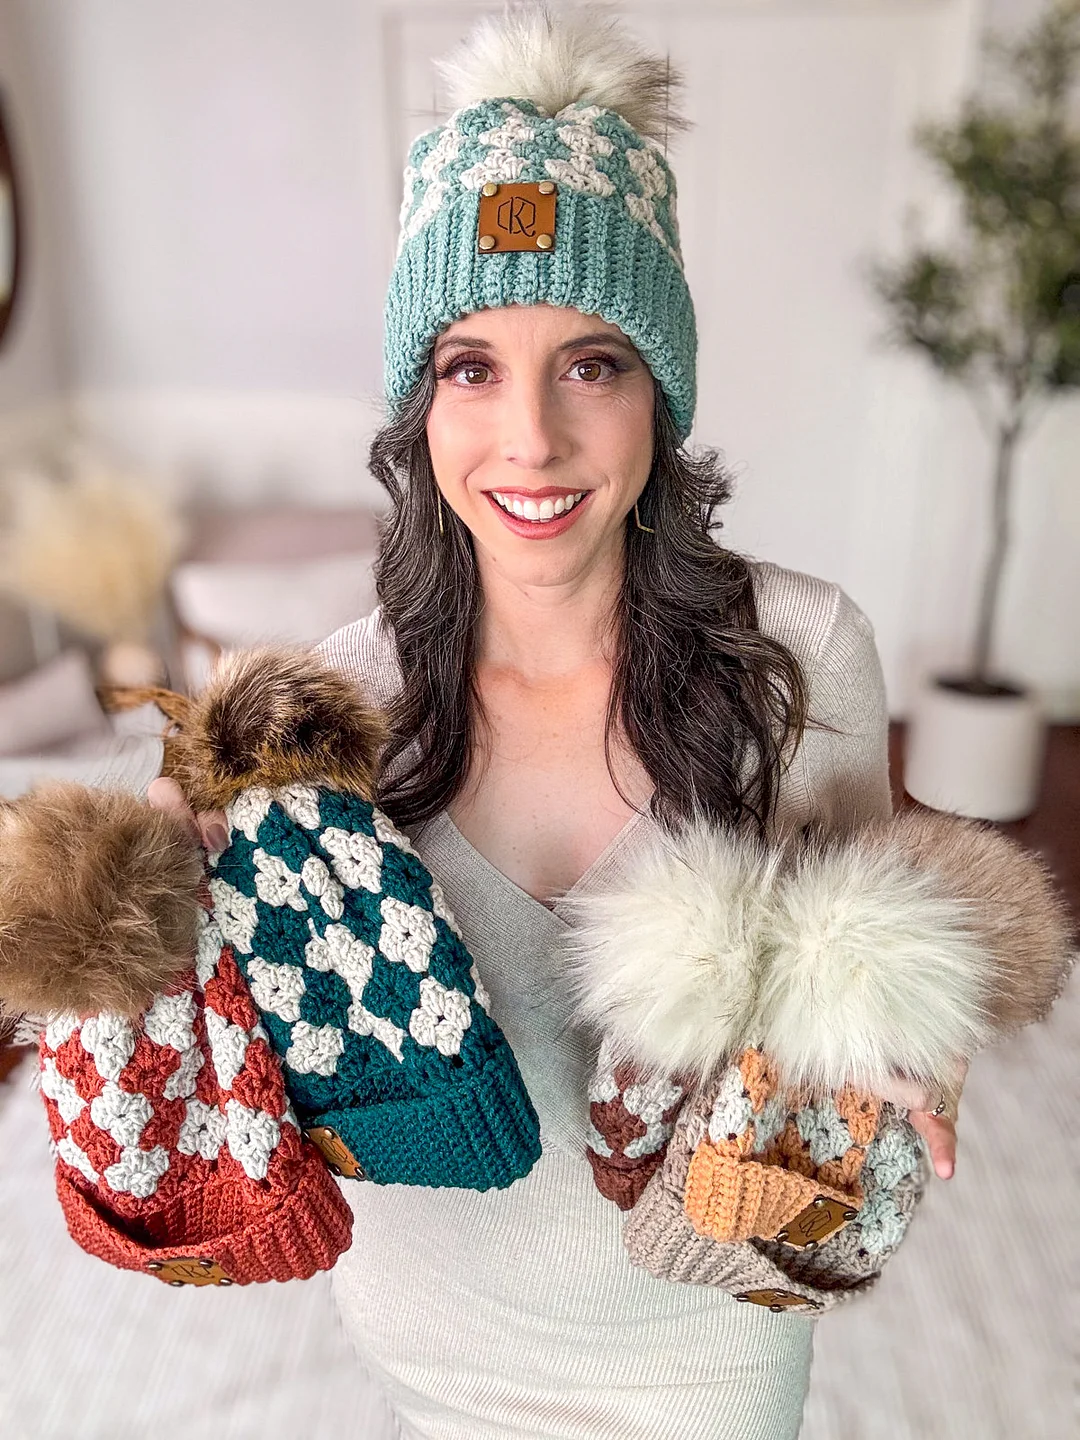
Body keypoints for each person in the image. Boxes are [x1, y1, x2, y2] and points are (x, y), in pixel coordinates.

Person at [152, 7, 964, 1436]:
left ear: (661, 396)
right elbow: (243, 1081)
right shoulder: (325, 714)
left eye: (592, 363)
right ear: (420, 407)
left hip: (704, 1360)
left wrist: (903, 1019)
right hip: (427, 1343)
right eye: (471, 368)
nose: (531, 437)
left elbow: (879, 961)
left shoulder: (802, 658)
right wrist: (162, 922)